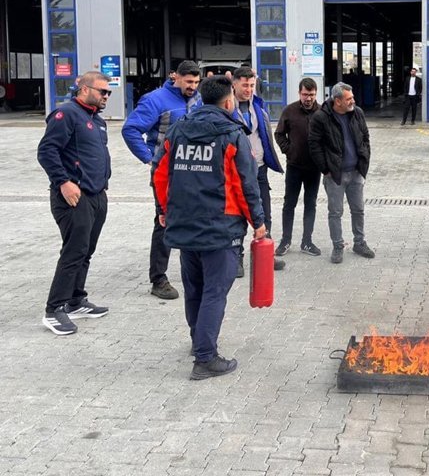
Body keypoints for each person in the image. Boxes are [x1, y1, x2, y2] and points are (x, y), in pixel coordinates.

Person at [151, 75, 266, 380]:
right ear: (229, 102)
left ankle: (198, 341)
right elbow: (245, 184)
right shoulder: (232, 134)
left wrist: (164, 210)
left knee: (195, 289)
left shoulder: (178, 130)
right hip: (220, 229)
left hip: (185, 226)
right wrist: (259, 223)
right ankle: (205, 358)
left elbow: (160, 174)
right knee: (215, 292)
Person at [37, 72, 113, 335]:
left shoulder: (96, 120)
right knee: (74, 251)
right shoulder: (66, 114)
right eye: (102, 91)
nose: (106, 96)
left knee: (86, 250)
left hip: (95, 195)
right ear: (83, 89)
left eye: (108, 93)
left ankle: (75, 299)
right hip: (73, 195)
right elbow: (47, 150)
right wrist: (63, 181)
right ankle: (54, 309)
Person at [122, 60, 202, 299]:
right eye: (188, 81)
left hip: (193, 170)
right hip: (165, 174)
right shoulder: (155, 100)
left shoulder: (197, 99)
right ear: (174, 76)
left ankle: (194, 267)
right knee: (164, 221)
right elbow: (131, 129)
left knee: (194, 216)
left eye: (196, 82)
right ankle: (158, 279)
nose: (192, 86)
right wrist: (150, 159)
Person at [308, 82, 375, 264]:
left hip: (356, 172)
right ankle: (338, 246)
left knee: (358, 210)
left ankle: (359, 243)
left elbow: (365, 137)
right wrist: (326, 169)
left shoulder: (357, 113)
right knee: (335, 212)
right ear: (337, 101)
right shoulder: (321, 117)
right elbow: (314, 146)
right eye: (349, 98)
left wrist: (364, 160)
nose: (353, 100)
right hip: (335, 175)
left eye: (352, 97)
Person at [231, 66, 285, 276]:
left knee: (265, 215)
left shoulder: (258, 108)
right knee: (237, 217)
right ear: (234, 84)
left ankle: (265, 255)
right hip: (236, 171)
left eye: (252, 85)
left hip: (260, 169)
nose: (248, 89)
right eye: (244, 85)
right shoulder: (226, 109)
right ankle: (237, 258)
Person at [275, 78, 323, 257]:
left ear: (316, 94)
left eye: (311, 95)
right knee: (289, 204)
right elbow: (279, 133)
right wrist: (289, 150)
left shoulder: (322, 112)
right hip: (294, 166)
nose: (308, 98)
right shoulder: (290, 110)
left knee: (310, 204)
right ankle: (286, 240)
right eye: (305, 94)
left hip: (314, 168)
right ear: (299, 93)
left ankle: (307, 241)